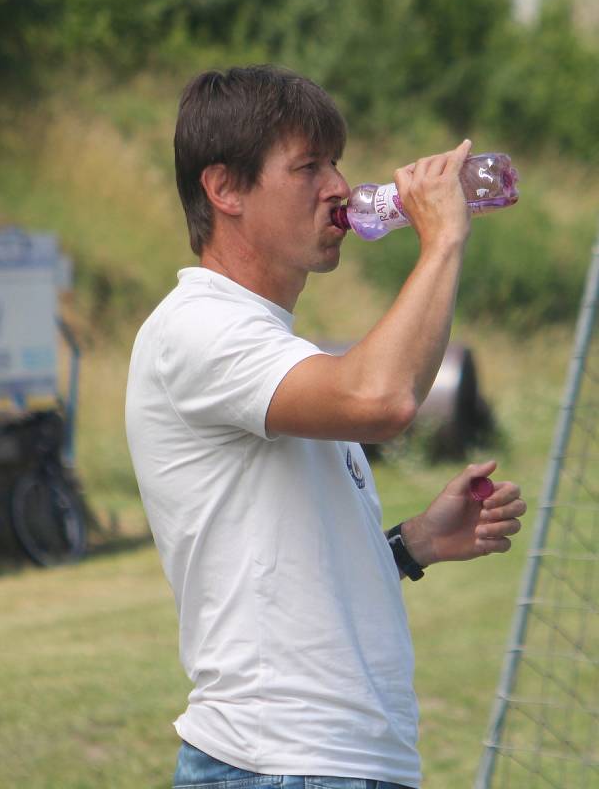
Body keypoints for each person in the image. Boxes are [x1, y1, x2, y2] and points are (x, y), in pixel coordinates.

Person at [125, 65, 526, 789]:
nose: (339, 186)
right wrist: (440, 243)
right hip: (282, 766)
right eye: (309, 166)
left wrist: (412, 544)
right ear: (225, 189)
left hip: (323, 765)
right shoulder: (199, 330)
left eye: (336, 163)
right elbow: (385, 398)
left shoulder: (271, 344)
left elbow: (283, 567)